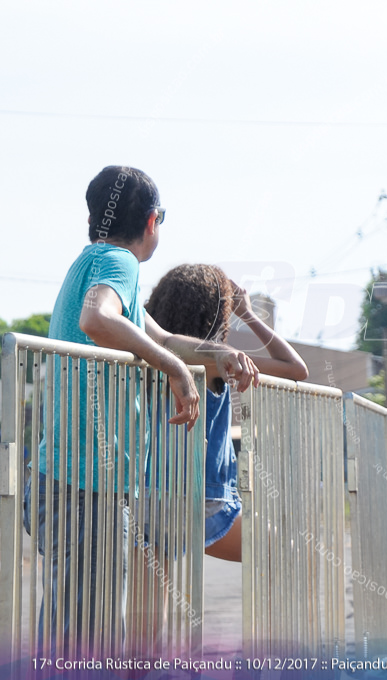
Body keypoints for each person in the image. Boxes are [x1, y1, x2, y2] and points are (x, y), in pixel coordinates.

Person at [23, 166, 258, 653]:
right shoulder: (119, 263)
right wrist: (174, 369)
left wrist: (219, 355)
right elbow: (97, 318)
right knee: (84, 635)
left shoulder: (92, 260)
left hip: (76, 481)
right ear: (152, 221)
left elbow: (164, 337)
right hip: (81, 484)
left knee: (81, 627)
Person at [145, 264, 308, 561]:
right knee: (288, 553)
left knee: (156, 601)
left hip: (147, 493)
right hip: (203, 500)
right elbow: (296, 370)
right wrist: (248, 314)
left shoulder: (147, 356)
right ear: (215, 315)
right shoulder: (217, 361)